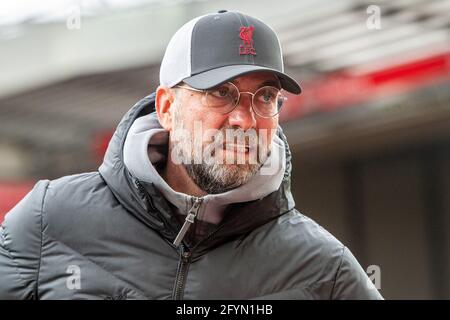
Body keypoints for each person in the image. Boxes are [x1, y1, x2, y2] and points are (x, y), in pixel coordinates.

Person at [0, 10, 383, 300]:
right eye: (220, 92)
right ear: (167, 107)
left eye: (265, 97)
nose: (244, 119)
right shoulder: (49, 221)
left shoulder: (323, 269)